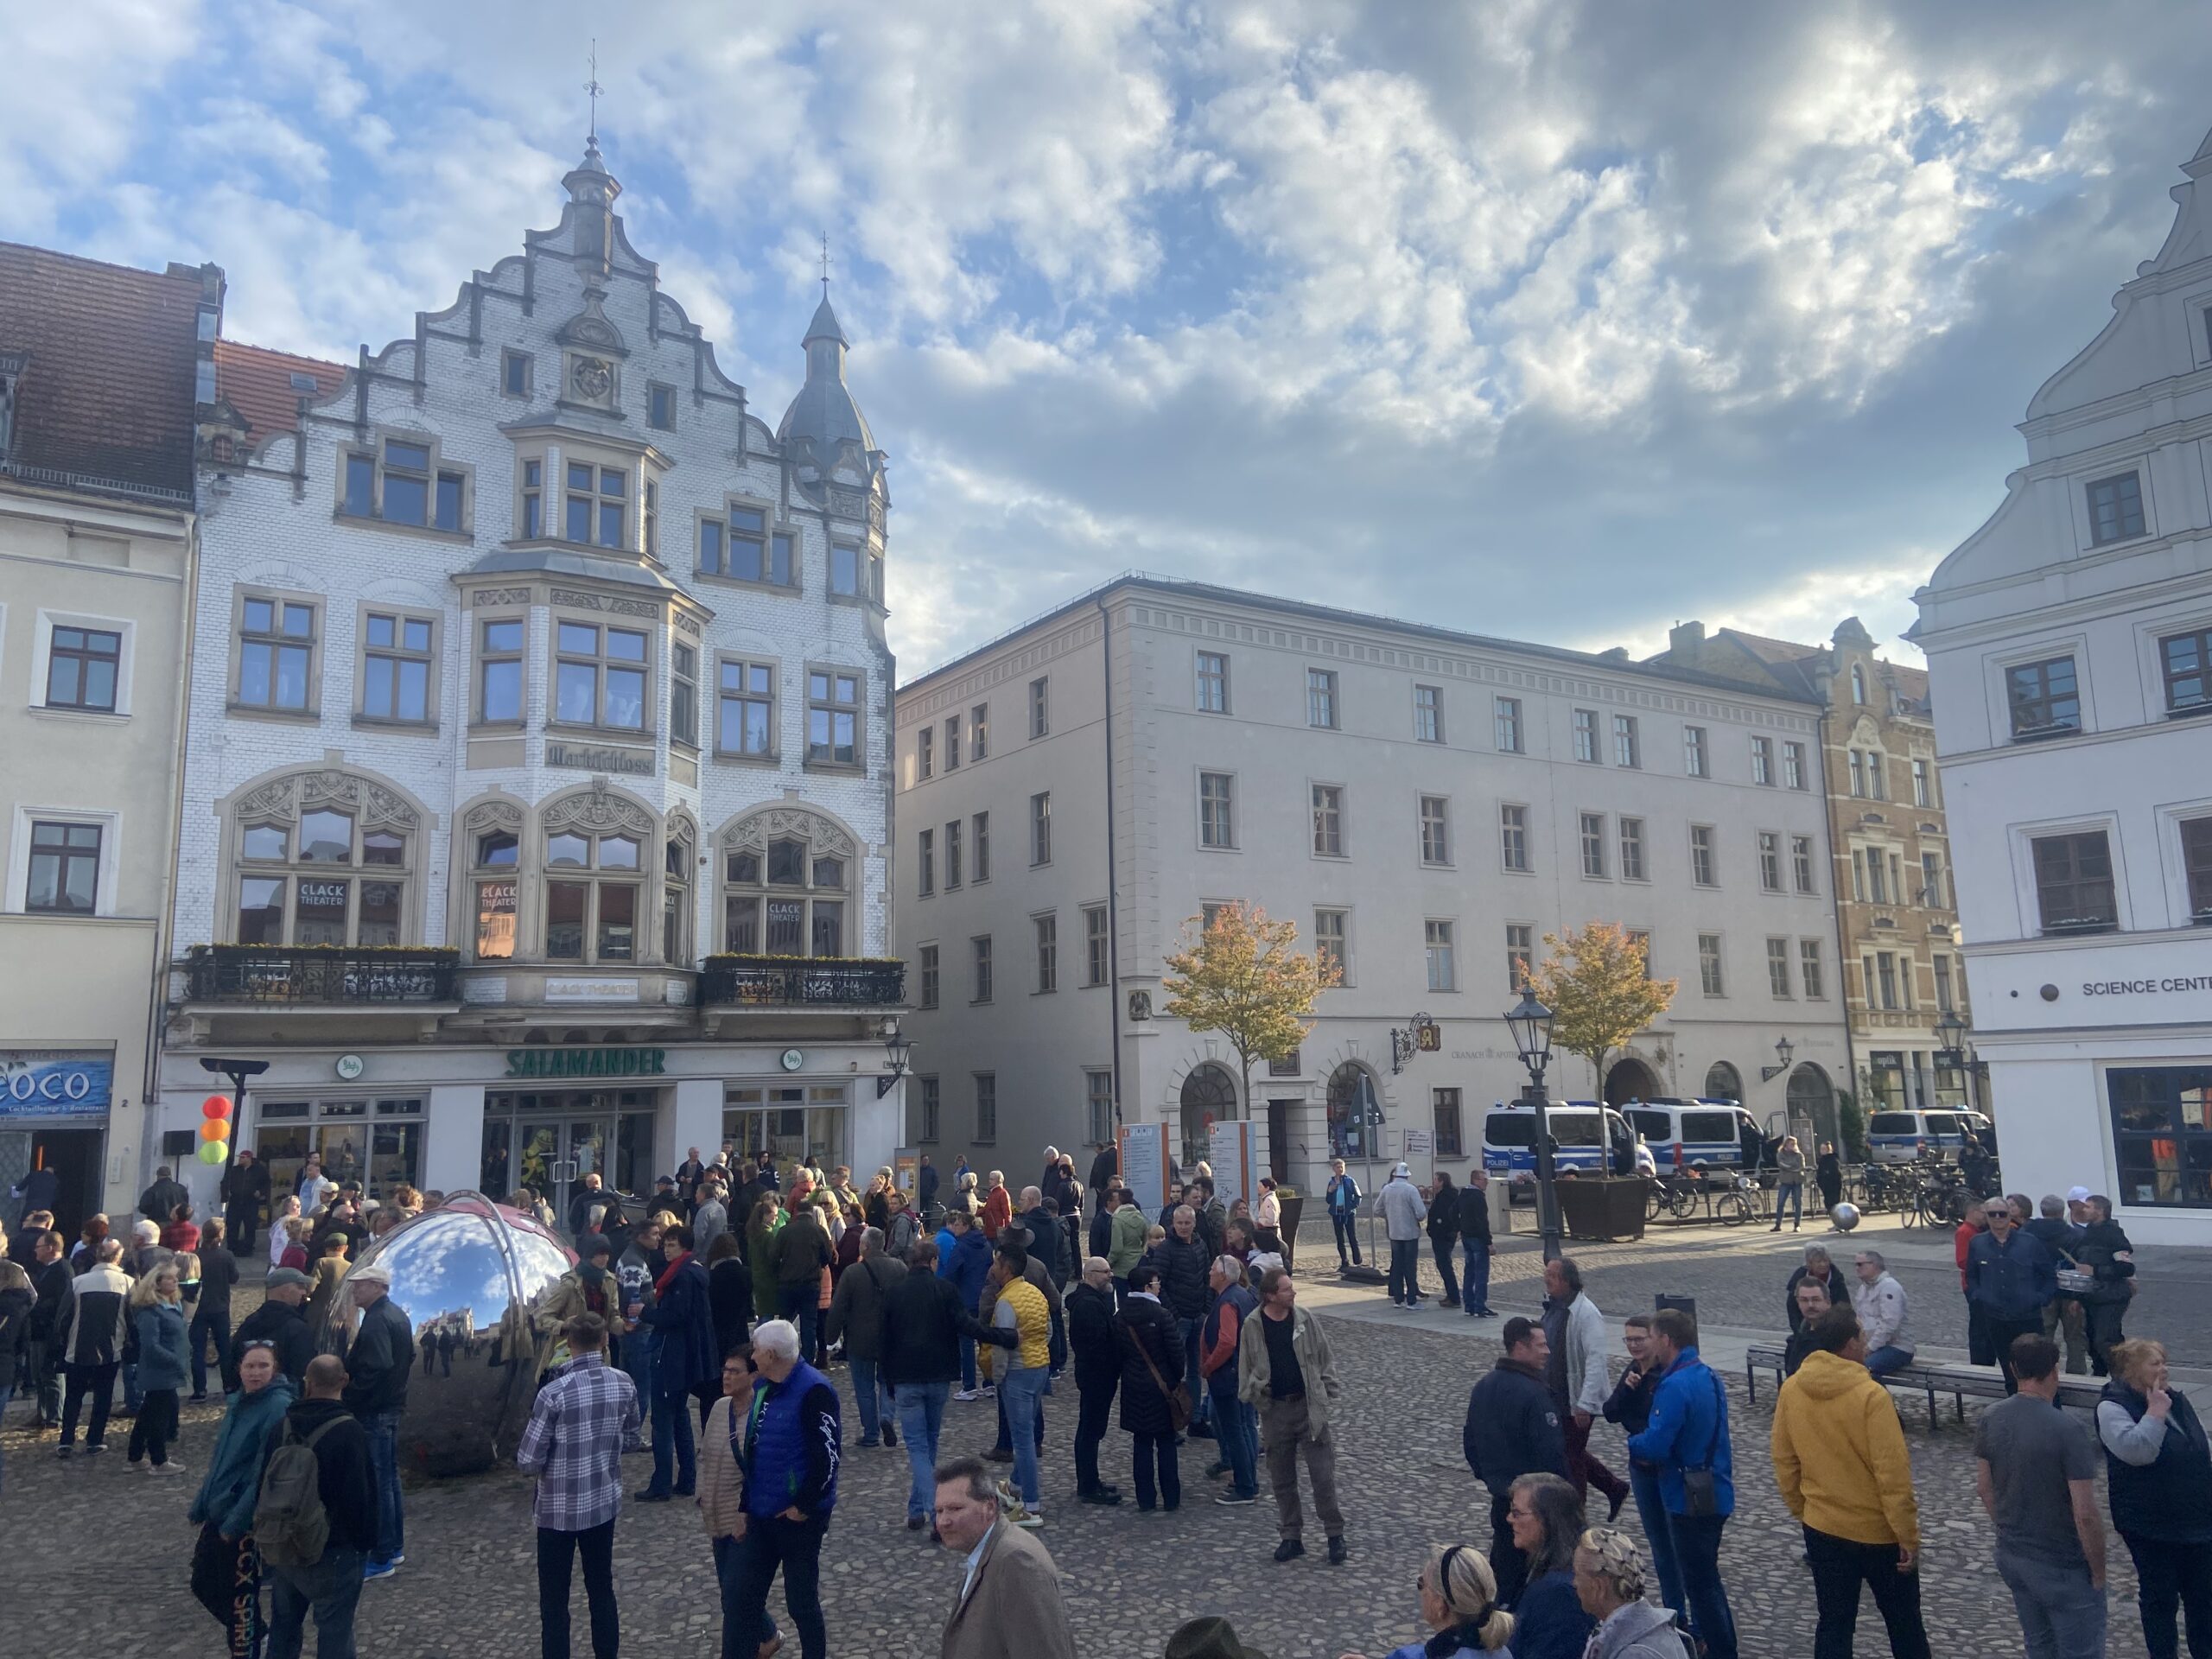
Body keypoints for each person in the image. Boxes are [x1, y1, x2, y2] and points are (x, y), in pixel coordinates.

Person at [1770, 1305, 1929, 1659]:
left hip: (1823, 1526)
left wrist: (1803, 1509)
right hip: (1878, 1533)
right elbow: (1892, 1474)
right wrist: (1907, 1535)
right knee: (1904, 1625)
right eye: (1861, 1334)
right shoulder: (1871, 1395)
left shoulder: (1793, 1388)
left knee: (1834, 1624)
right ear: (1849, 1344)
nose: (1866, 1340)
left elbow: (1784, 1458)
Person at [1978, 1333, 2108, 1659]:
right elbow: (2085, 1514)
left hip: (2014, 1555)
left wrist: (2007, 1529)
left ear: (2013, 1369)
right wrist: (2098, 1570)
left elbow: (1985, 1488)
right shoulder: (2067, 1429)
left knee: (2038, 1644)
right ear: (2055, 1370)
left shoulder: (1992, 1416)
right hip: (2062, 1564)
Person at [518, 1312, 639, 1659]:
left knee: (554, 1601)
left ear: (568, 1342)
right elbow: (632, 1439)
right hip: (602, 1503)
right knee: (601, 1589)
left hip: (557, 1510)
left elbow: (528, 1460)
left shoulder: (553, 1393)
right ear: (604, 1341)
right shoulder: (623, 1383)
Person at [881, 1238, 1018, 1532]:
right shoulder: (945, 1290)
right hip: (938, 1375)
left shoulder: (894, 1293)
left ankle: (926, 1510)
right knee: (928, 1443)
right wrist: (1001, 1336)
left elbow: (885, 1340)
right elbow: (967, 1326)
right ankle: (922, 1510)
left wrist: (886, 1382)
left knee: (918, 1447)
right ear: (933, 1262)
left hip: (905, 1377)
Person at [1625, 1308, 1738, 1659]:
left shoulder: (1674, 1384)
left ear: (1666, 1340)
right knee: (1709, 1581)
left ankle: (1721, 1652)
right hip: (1715, 1488)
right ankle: (1725, 1648)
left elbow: (1656, 1445)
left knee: (1700, 1586)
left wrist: (1633, 1442)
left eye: (1652, 1336)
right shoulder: (1708, 1374)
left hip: (1687, 1497)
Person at [728, 1319, 840, 1659]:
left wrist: (804, 1505)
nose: (752, 1356)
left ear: (772, 1355)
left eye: (756, 1350)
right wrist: (745, 1506)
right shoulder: (764, 1387)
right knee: (743, 1597)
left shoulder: (815, 1391)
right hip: (761, 1513)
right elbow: (754, 1451)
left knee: (801, 1603)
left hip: (797, 1519)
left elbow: (828, 1456)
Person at [2097, 1338, 2212, 1658]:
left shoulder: (2175, 1398)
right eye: (2155, 1363)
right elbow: (2137, 1451)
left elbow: (2198, 1445)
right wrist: (2155, 1413)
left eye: (2164, 1362)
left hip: (2196, 1520)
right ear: (2133, 1370)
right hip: (2151, 1525)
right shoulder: (2114, 1407)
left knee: (2203, 1597)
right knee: (2160, 1598)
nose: (2164, 1369)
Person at [262, 1353, 377, 1659]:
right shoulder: (349, 1431)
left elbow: (263, 1482)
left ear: (307, 1383)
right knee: (335, 1631)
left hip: (285, 1545)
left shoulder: (282, 1426)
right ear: (344, 1381)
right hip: (333, 1549)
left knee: (283, 1627)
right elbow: (360, 1499)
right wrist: (365, 1545)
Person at [188, 1340, 294, 1658]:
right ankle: (259, 1635)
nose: (256, 1372)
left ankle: (249, 1647)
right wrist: (202, 1502)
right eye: (250, 1366)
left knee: (240, 1600)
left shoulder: (277, 1407)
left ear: (275, 1369)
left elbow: (264, 1473)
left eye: (263, 1366)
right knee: (203, 1582)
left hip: (244, 1518)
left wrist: (236, 1522)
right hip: (220, 1509)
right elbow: (222, 1458)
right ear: (240, 1369)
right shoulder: (238, 1402)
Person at [1240, 1263, 1348, 1564]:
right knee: (1282, 1478)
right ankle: (1291, 1537)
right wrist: (1254, 1394)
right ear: (1270, 1295)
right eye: (1287, 1289)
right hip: (1275, 1411)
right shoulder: (1253, 1325)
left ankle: (1335, 1535)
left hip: (1308, 1408)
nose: (1293, 1292)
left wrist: (1326, 1389)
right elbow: (1246, 1364)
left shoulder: (1304, 1318)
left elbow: (1324, 1355)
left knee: (1322, 1477)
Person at [931, 1453, 1080, 1659]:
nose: (943, 1522)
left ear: (989, 1507)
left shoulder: (1016, 1562)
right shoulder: (987, 1550)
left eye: (955, 1509)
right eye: (939, 1511)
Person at [1465, 1315, 1569, 1605]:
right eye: (1541, 1345)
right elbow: (1551, 1454)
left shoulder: (1484, 1386)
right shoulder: (1535, 1394)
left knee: (1502, 1569)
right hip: (1535, 1505)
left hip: (1501, 1497)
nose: (1547, 1351)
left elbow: (1470, 1443)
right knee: (1534, 1579)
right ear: (1520, 1347)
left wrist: (1491, 1478)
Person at [1602, 1317, 1688, 1630]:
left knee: (1677, 1545)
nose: (1634, 1345)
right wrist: (1627, 1390)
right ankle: (1675, 1613)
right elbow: (1611, 1412)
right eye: (1629, 1340)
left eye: (1640, 1339)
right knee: (1660, 1545)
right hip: (1641, 1468)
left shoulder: (1668, 1374)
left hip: (1667, 1468)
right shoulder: (1633, 1370)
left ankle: (1684, 1614)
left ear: (1656, 1339)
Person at [342, 1260, 413, 1580]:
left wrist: (351, 1394)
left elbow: (378, 1366)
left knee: (379, 1482)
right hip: (391, 1405)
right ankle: (393, 1547)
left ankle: (382, 1554)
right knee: (389, 1479)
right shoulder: (396, 1314)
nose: (355, 1291)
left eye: (360, 1285)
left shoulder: (376, 1320)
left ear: (377, 1287)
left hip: (376, 1409)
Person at [639, 1222, 716, 1503]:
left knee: (663, 1420)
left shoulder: (682, 1277)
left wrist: (645, 1313)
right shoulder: (693, 1272)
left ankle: (661, 1483)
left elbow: (676, 1317)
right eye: (665, 1244)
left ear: (683, 1247)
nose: (666, 1249)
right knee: (680, 1416)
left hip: (671, 1357)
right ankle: (687, 1479)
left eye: (671, 1245)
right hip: (685, 1358)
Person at [1542, 1257, 1626, 1519]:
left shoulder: (1587, 1313)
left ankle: (1576, 1515)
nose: (1546, 1280)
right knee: (1566, 1449)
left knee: (1571, 1456)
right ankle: (1613, 1487)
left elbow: (1596, 1359)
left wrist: (1586, 1403)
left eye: (1552, 1276)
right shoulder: (1555, 1307)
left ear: (1567, 1281)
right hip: (1554, 1395)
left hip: (1575, 1398)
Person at [1338, 1543, 1517, 1659]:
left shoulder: (1419, 1655)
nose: (1420, 1590)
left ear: (1440, 1605)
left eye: (1421, 1583)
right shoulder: (1502, 1652)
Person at [984, 1242, 1052, 1526]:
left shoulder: (1006, 1302)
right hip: (1039, 1367)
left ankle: (1031, 1506)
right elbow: (1048, 1331)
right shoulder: (1035, 1293)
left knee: (1022, 1442)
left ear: (1006, 1268)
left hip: (1017, 1372)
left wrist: (996, 1376)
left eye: (996, 1263)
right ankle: (1015, 1485)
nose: (993, 1268)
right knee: (1026, 1433)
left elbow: (1002, 1344)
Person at [1968, 1193, 2058, 1393]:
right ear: (1986, 1216)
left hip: (2028, 1317)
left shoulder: (2029, 1242)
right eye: (1993, 1214)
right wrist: (1979, 1296)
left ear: (2010, 1215)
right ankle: (2015, 1406)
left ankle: (2048, 1406)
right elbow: (1972, 1276)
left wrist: (2040, 1298)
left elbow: (2049, 1275)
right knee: (2009, 1370)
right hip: (1996, 1318)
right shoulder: (1977, 1243)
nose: (1998, 1218)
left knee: (2038, 1366)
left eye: (2002, 1213)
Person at [1116, 1262, 1185, 1513]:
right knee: (1166, 1442)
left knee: (1141, 1443)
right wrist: (1175, 1379)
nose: (1159, 1288)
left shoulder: (1120, 1316)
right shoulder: (1162, 1315)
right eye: (1156, 1284)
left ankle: (1145, 1499)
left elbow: (1117, 1353)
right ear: (1147, 1287)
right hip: (1162, 1386)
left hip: (1133, 1385)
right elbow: (1176, 1353)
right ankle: (1171, 1497)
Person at [1508, 1472, 1597, 1658]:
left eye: (1517, 1513)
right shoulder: (1548, 1565)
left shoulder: (1559, 1593)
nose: (1509, 1518)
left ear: (1547, 1520)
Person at [1573, 1528, 1694, 1659]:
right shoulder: (1649, 1632)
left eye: (1577, 1575)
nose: (1574, 1583)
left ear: (1599, 1587)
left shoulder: (1634, 1654)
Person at [57, 1236, 130, 1456]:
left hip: (77, 1348)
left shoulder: (78, 1282)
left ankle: (66, 1440)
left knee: (73, 1396)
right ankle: (94, 1439)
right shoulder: (127, 1283)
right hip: (111, 1348)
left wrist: (61, 1343)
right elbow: (132, 1318)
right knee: (103, 1396)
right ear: (118, 1257)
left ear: (98, 1256)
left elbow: (63, 1318)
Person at [1201, 1253, 1260, 1505]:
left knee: (1235, 1432)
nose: (1210, 1273)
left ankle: (1245, 1486)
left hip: (1229, 1376)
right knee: (1245, 1428)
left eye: (1213, 1270)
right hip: (1243, 1373)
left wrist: (1208, 1366)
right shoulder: (1243, 1296)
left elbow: (1227, 1342)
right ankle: (1249, 1480)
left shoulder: (1227, 1302)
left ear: (1223, 1275)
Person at [1065, 1255, 1122, 1507]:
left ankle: (1091, 1479)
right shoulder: (1088, 1305)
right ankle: (1088, 1484)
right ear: (1090, 1275)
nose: (1110, 1275)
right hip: (1096, 1375)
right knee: (1089, 1430)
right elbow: (1096, 1345)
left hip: (1097, 1374)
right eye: (1105, 1272)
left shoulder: (1094, 1300)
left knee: (1092, 1429)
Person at [129, 1261, 190, 1473]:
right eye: (170, 1278)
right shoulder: (150, 1312)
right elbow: (150, 1345)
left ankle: (135, 1456)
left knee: (148, 1413)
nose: (175, 1281)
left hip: (168, 1370)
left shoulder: (171, 1305)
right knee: (159, 1416)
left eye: (175, 1278)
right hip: (159, 1371)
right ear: (156, 1283)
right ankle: (159, 1460)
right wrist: (174, 1359)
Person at [2075, 1195, 2137, 1373]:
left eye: (2088, 1207)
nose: (2084, 1210)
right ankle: (2099, 1373)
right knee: (2092, 1340)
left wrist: (2096, 1271)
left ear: (2100, 1211)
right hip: (2091, 1295)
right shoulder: (2087, 1233)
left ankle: (2123, 1375)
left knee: (2106, 1340)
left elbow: (2126, 1268)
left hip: (2111, 1296)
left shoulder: (2113, 1234)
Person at [233, 1265, 315, 1388]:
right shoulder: (298, 1329)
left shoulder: (249, 1323)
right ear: (286, 1291)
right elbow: (303, 1370)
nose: (304, 1292)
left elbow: (233, 1360)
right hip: (287, 1394)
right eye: (300, 1287)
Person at [25, 1227, 73, 1428]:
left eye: (39, 1247)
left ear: (50, 1248)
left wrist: (41, 1308)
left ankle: (55, 1417)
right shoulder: (44, 1269)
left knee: (51, 1375)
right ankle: (42, 1413)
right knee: (38, 1374)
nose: (35, 1251)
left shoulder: (63, 1270)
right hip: (38, 1329)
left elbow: (63, 1302)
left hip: (51, 1329)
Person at [188, 1217, 239, 1401]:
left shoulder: (196, 1256)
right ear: (220, 1234)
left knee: (198, 1350)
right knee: (224, 1348)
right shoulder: (226, 1256)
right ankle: (228, 1385)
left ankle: (200, 1390)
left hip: (199, 1308)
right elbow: (234, 1278)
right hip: (220, 1307)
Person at [1850, 1249, 1916, 1379]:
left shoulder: (1889, 1287)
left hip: (1897, 1348)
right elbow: (1861, 1319)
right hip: (1873, 1346)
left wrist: (1870, 1348)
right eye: (1856, 1264)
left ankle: (1878, 1393)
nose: (1857, 1268)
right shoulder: (1864, 1288)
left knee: (1864, 1371)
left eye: (1860, 1264)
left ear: (1874, 1265)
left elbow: (1890, 1324)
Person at [1379, 1162, 1427, 1307]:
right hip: (1410, 1233)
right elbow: (1421, 1213)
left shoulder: (1387, 1189)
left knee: (1397, 1265)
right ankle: (1411, 1300)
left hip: (1394, 1232)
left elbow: (1377, 1209)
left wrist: (1389, 1215)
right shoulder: (1411, 1189)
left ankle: (1398, 1299)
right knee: (1410, 1266)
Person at [1783, 1244, 1848, 1333]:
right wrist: (1798, 1331)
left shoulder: (1836, 1279)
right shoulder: (1799, 1276)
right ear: (1809, 1263)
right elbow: (1792, 1306)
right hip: (1803, 1327)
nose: (1823, 1264)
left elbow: (1844, 1307)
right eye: (1819, 1261)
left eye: (1825, 1261)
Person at [1458, 1168, 1496, 1319]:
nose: (1486, 1182)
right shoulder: (1478, 1197)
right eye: (1484, 1179)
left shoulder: (1463, 1194)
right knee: (1481, 1273)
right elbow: (1482, 1222)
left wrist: (1460, 1228)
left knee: (1469, 1272)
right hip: (1478, 1239)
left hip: (1467, 1237)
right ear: (1475, 1180)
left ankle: (1469, 1305)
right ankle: (1480, 1306)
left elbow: (1453, 1211)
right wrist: (1489, 1242)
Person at [220, 1149, 270, 1255]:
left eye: (243, 1157)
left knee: (250, 1225)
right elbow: (224, 1182)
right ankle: (232, 1248)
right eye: (240, 1157)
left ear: (249, 1158)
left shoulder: (259, 1170)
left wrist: (260, 1192)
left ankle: (248, 1249)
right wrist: (226, 1193)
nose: (240, 1159)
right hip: (235, 1200)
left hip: (250, 1201)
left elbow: (267, 1183)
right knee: (232, 1224)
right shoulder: (234, 1170)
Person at [1426, 1169, 1462, 1307]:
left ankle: (1454, 1297)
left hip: (1443, 1235)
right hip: (1442, 1234)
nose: (1433, 1182)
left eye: (1435, 1180)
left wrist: (1437, 1230)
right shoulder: (1443, 1195)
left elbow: (1445, 1216)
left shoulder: (1446, 1197)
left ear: (1441, 1182)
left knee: (1445, 1265)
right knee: (1443, 1265)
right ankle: (1451, 1295)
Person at [1783, 1278, 1834, 1377]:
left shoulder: (1837, 1336)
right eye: (1804, 1300)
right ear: (1798, 1303)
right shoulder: (1797, 1339)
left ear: (1828, 1302)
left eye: (1816, 1299)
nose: (1810, 1305)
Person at [1107, 1185, 1147, 1298]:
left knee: (1124, 1300)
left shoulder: (1117, 1219)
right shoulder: (1141, 1217)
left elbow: (1117, 1248)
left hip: (1122, 1268)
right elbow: (1145, 1240)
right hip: (1138, 1264)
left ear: (1119, 1201)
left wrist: (1109, 1262)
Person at [1323, 1158, 1363, 1270]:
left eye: (1342, 1167)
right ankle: (1344, 1261)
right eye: (1338, 1167)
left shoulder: (1350, 1181)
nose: (1340, 1169)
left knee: (1352, 1236)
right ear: (1334, 1169)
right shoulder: (1331, 1182)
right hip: (1336, 1213)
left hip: (1348, 1213)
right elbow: (1328, 1200)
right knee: (1340, 1238)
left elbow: (1358, 1196)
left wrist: (1352, 1207)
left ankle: (1357, 1260)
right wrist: (1330, 1191)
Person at [1771, 1135, 1806, 1232]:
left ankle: (1797, 1224)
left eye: (1795, 1144)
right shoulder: (1780, 1154)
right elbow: (1782, 1165)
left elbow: (1801, 1167)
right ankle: (1778, 1224)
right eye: (1791, 1144)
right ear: (1786, 1144)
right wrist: (1792, 1167)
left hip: (1797, 1181)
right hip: (1785, 1182)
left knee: (1798, 1203)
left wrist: (1790, 1167)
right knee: (1780, 1203)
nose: (1793, 1146)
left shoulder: (1799, 1155)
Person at [139, 1164, 189, 1229]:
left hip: (157, 1224)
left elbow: (143, 1208)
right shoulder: (181, 1189)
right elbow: (186, 1206)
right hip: (177, 1224)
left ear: (158, 1176)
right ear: (170, 1176)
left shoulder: (152, 1190)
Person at [1815, 1141, 1843, 1221]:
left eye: (1824, 1149)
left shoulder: (1833, 1159)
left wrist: (1826, 1174)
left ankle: (1837, 1220)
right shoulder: (1822, 1160)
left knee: (1834, 1203)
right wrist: (1820, 1181)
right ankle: (1834, 1220)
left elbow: (1836, 1173)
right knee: (1828, 1203)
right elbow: (1820, 1173)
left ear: (1828, 1149)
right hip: (1825, 1186)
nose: (1822, 1151)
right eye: (1821, 1149)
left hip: (1833, 1185)